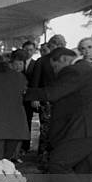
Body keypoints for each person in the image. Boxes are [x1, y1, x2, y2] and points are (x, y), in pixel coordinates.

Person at [24, 48, 92, 174]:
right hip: (87, 128)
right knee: (82, 171)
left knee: (57, 163)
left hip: (84, 128)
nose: (55, 72)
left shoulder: (75, 70)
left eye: (55, 67)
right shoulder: (86, 68)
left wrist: (24, 92)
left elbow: (52, 93)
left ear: (64, 59)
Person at [32, 35, 66, 163]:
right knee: (46, 129)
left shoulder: (67, 61)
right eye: (54, 46)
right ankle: (43, 157)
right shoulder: (42, 61)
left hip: (64, 100)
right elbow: (35, 81)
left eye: (60, 46)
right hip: (47, 100)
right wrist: (34, 98)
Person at [22, 42, 38, 153]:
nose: (28, 52)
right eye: (26, 49)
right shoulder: (18, 63)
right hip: (18, 98)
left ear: (34, 51)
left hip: (29, 98)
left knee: (28, 121)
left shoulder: (36, 64)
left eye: (30, 50)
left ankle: (26, 146)